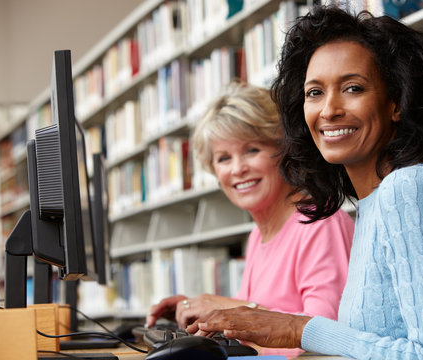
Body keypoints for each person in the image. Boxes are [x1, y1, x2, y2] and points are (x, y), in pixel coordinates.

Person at [186, 6, 423, 359]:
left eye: (352, 88)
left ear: (395, 102)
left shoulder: (412, 188)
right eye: (314, 93)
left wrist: (298, 328)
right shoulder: (373, 205)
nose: (329, 110)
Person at [145, 81, 354, 331]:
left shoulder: (320, 223)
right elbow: (251, 329)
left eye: (252, 150)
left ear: (284, 151)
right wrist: (199, 313)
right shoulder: (258, 235)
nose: (237, 169)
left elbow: (326, 339)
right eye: (223, 158)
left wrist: (229, 309)